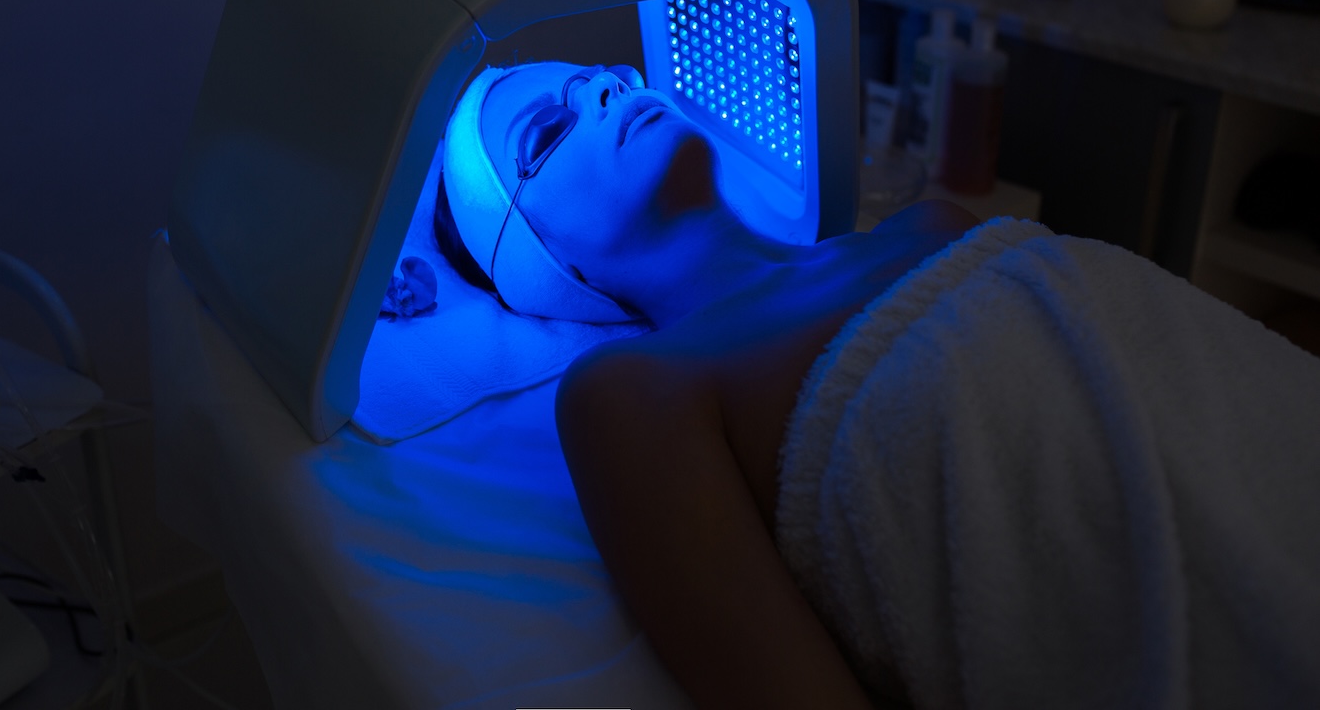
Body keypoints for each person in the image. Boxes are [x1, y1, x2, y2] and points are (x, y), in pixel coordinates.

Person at [438, 61, 1320, 710]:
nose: (601, 92)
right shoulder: (631, 392)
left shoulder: (932, 223)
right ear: (541, 260)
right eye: (546, 135)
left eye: (599, 76)